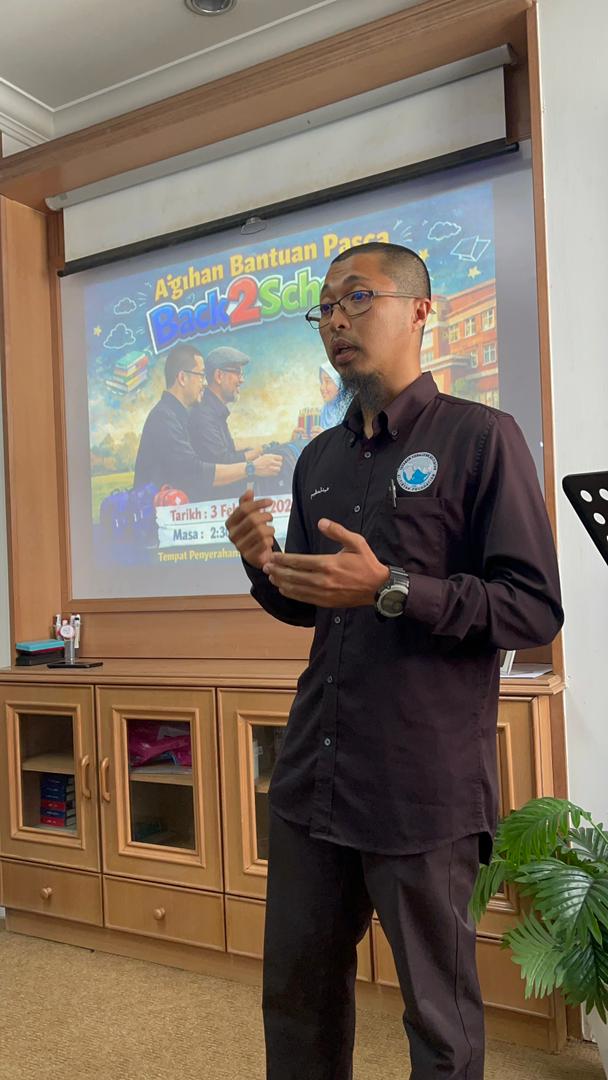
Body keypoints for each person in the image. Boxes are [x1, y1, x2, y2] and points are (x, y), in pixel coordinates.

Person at [225, 242, 564, 1080]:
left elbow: (532, 608)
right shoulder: (318, 459)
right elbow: (310, 603)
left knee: (440, 1028)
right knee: (296, 1002)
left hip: (422, 789)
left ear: (419, 311)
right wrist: (263, 564)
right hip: (313, 779)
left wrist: (392, 588)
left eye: (357, 298)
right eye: (324, 308)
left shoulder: (481, 438)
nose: (335, 321)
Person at [133, 343, 281, 501]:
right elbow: (194, 472)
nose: (204, 383)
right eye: (201, 375)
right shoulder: (164, 418)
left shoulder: (176, 415)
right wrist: (252, 468)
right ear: (182, 378)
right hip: (155, 515)